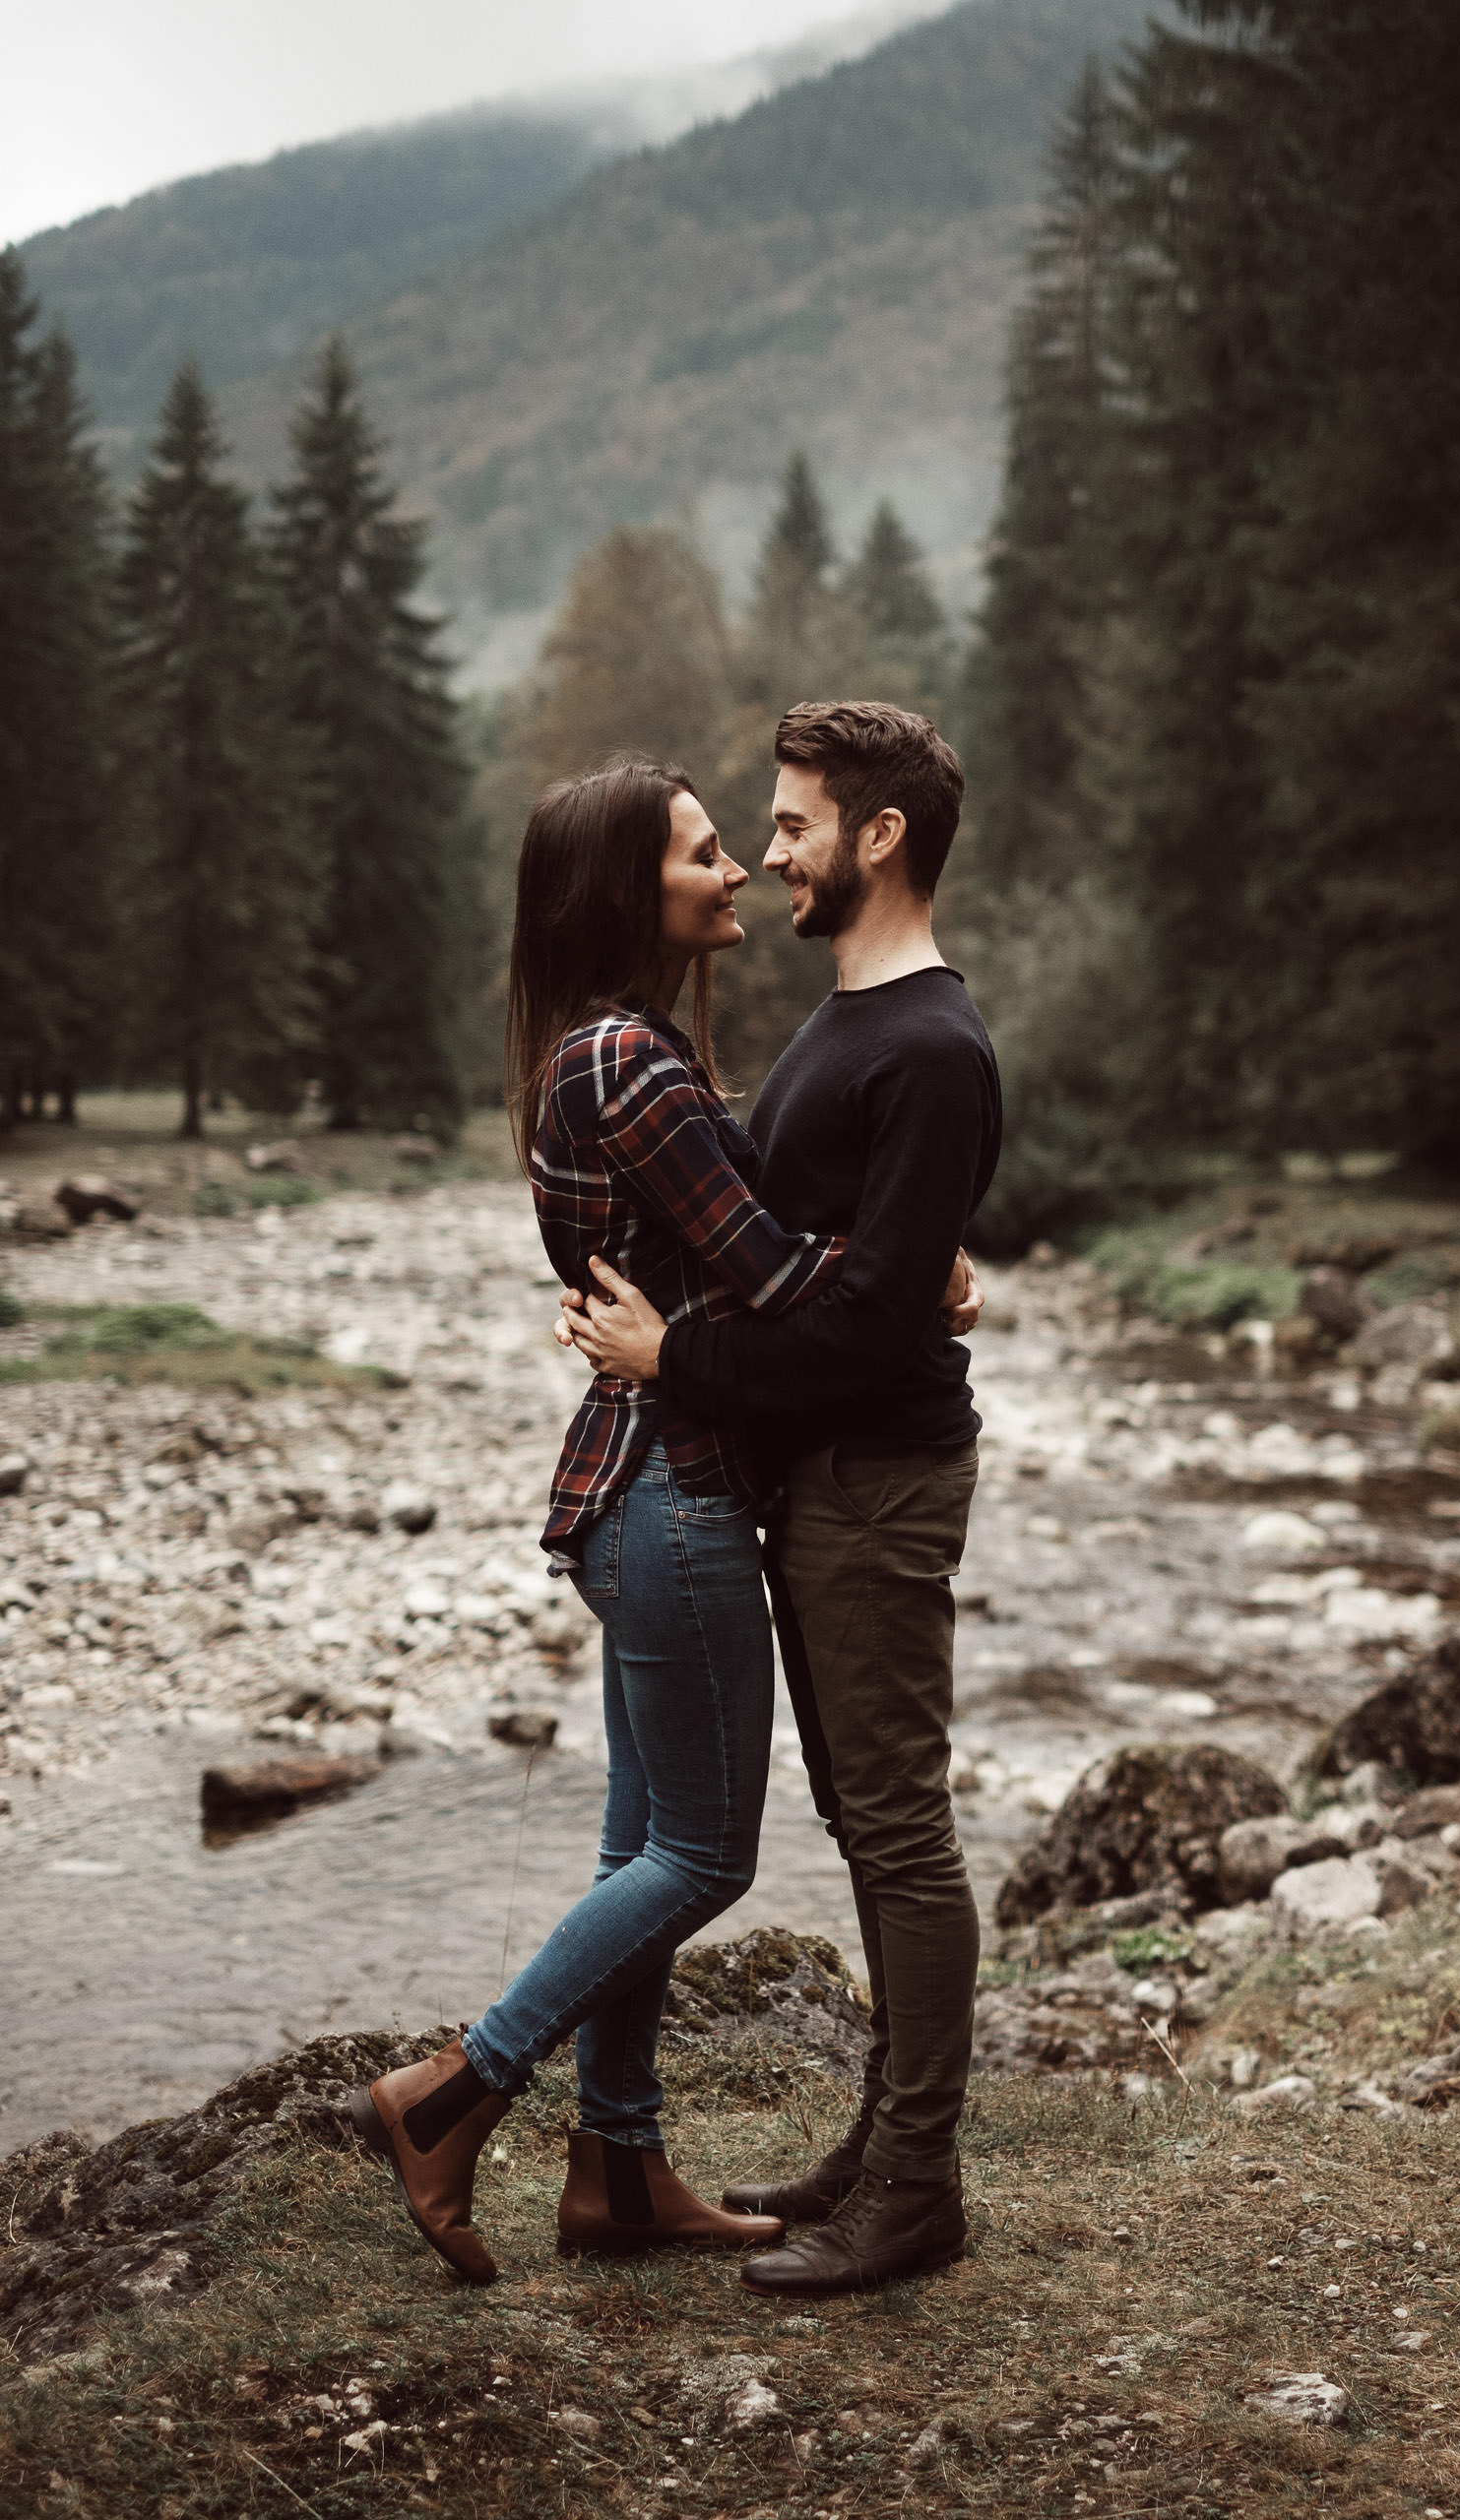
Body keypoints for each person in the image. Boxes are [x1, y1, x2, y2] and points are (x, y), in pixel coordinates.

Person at [353, 757, 908, 2284]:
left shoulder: (610, 1053)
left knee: (634, 1846)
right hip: (676, 1492)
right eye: (701, 852)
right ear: (625, 890)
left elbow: (740, 1265)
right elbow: (776, 1280)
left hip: (638, 1486)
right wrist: (909, 1266)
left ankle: (618, 2170)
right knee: (704, 1858)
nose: (733, 869)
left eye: (734, 848)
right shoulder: (630, 1065)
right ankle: (459, 2088)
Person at [570, 699, 1002, 2299]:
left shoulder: (934, 1045)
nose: (771, 850)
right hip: (825, 1477)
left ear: (879, 836)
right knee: (857, 1816)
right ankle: (880, 2146)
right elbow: (832, 1250)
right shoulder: (846, 1024)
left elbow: (864, 1320)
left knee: (898, 1826)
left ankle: (919, 2191)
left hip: (883, 1480)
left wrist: (676, 1357)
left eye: (796, 822)